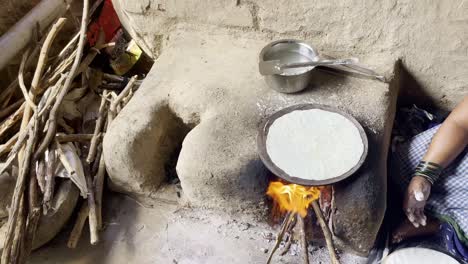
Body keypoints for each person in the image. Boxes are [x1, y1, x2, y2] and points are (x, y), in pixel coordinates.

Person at [391, 96, 468, 259]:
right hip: (461, 160)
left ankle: (439, 226)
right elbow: (460, 123)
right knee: (404, 163)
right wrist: (425, 174)